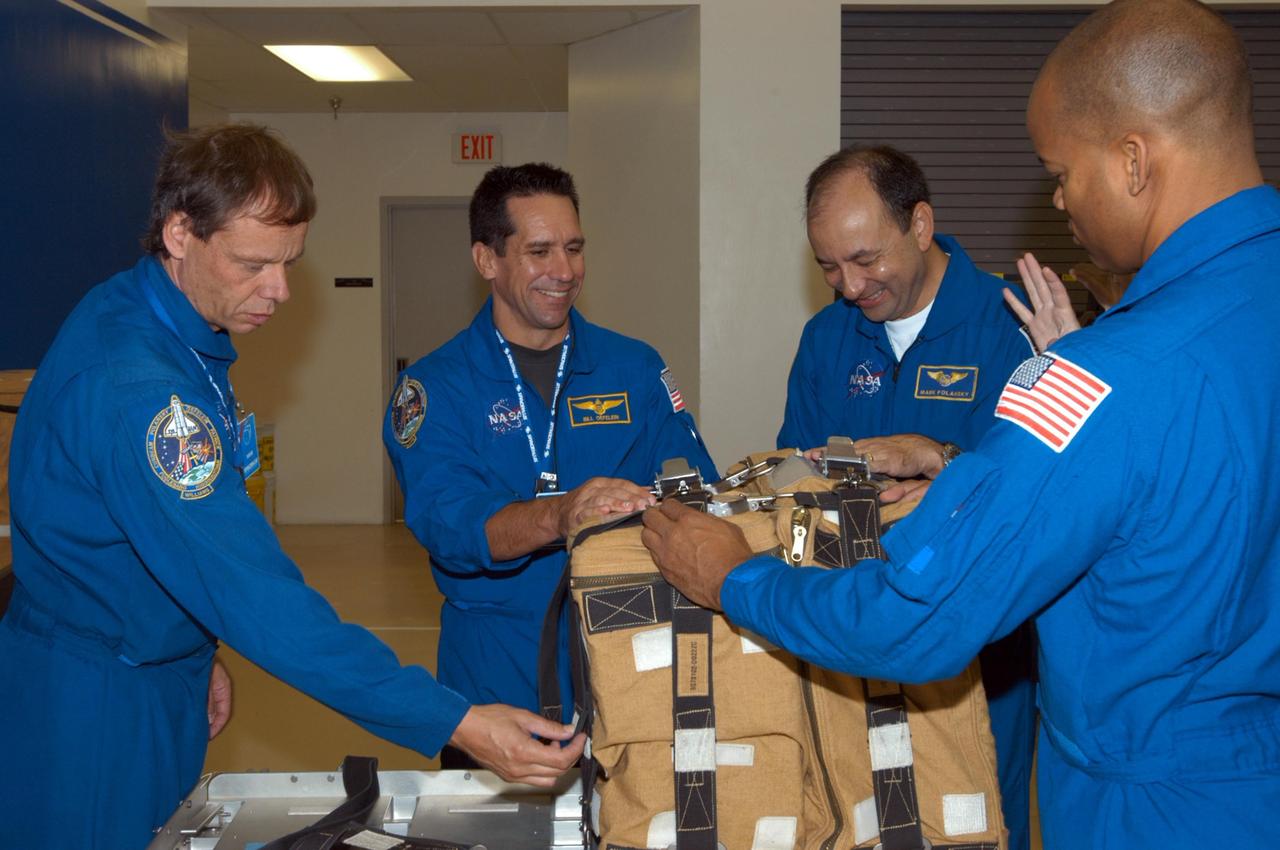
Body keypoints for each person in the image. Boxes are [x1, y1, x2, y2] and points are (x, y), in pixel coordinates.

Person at [642, 0, 1280, 847]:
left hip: (1156, 802)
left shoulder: (1101, 375)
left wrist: (731, 580)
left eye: (1060, 172)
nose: (1059, 201)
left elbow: (918, 615)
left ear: (1133, 160)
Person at [0, 125, 582, 850]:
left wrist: (192, 644)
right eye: (253, 264)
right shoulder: (141, 389)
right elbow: (259, 600)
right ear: (180, 233)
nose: (278, 291)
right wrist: (455, 721)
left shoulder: (165, 320)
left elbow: (145, 538)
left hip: (149, 664)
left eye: (289, 263)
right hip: (95, 705)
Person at [384, 163, 716, 767]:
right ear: (487, 260)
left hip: (630, 675)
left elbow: (693, 488)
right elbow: (450, 527)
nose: (564, 271)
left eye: (573, 247)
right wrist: (560, 514)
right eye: (539, 251)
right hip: (494, 691)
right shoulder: (435, 389)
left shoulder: (634, 369)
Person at [779, 144, 1037, 850]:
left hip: (984, 648)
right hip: (853, 631)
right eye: (828, 266)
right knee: (857, 816)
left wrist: (943, 467)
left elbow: (1040, 497)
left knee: (978, 819)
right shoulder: (827, 339)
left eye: (865, 260)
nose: (849, 285)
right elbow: (796, 489)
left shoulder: (1008, 325)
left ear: (920, 224)